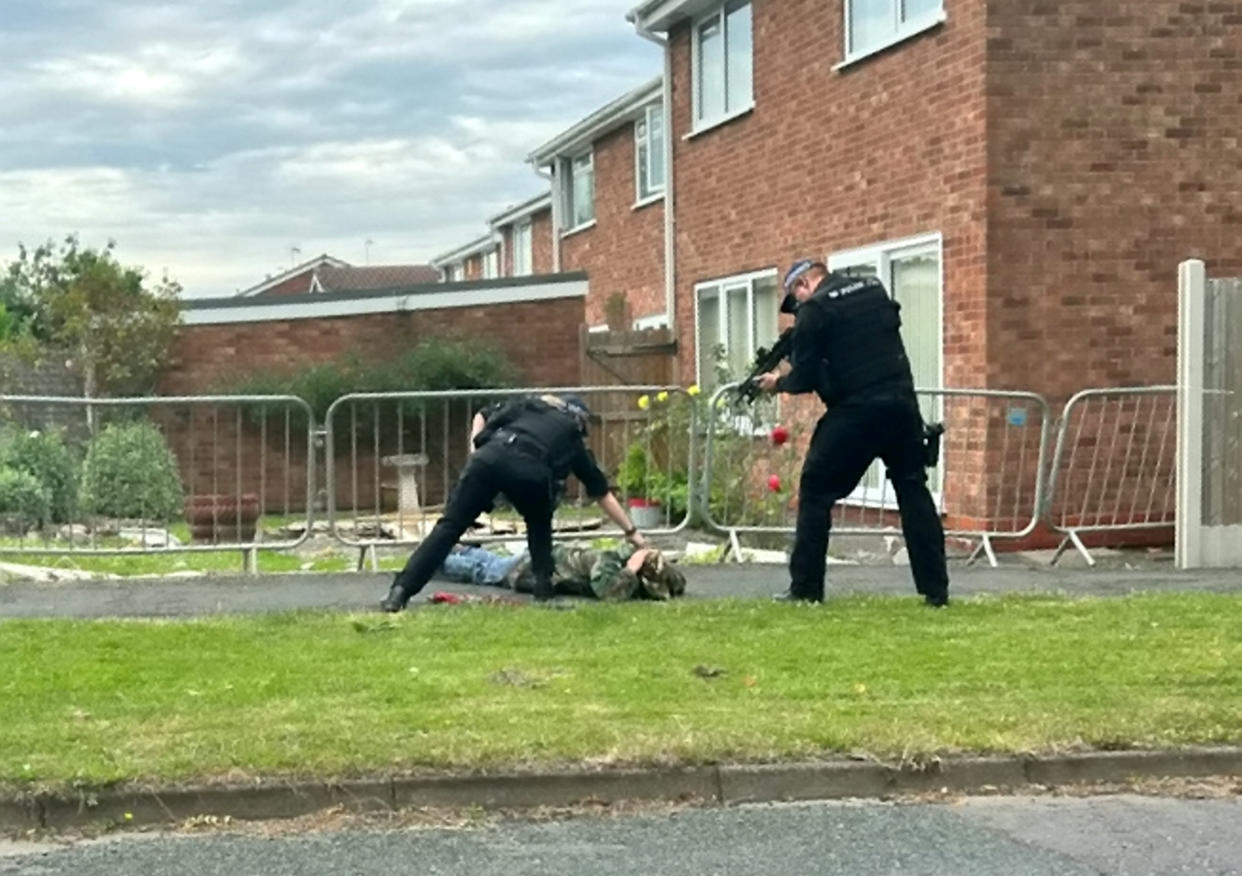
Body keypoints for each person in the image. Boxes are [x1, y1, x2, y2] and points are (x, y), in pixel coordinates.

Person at [755, 259, 949, 607]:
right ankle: (936, 590)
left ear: (803, 284)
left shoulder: (815, 309)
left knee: (815, 490)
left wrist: (777, 383)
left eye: (794, 299)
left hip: (856, 412)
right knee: (912, 488)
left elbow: (806, 377)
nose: (797, 309)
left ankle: (806, 588)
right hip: (902, 404)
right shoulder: (872, 288)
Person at [381, 393, 647, 611]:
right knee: (539, 521)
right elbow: (600, 492)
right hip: (530, 471)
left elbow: (483, 415)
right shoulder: (572, 436)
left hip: (486, 460)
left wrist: (476, 451)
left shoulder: (527, 406)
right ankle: (544, 591)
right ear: (580, 420)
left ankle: (400, 592)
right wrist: (633, 534)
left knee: (448, 529)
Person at [439, 542, 686, 601]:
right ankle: (438, 559)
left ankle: (460, 549)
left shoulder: (622, 568)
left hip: (540, 560)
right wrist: (631, 570)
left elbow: (677, 581)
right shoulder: (608, 560)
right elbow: (607, 590)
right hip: (534, 569)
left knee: (494, 562)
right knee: (486, 572)